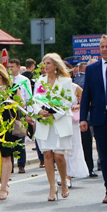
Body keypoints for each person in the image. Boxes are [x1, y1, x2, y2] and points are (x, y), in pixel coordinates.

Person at [79, 35, 107, 203]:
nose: (104, 49)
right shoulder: (92, 69)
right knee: (104, 156)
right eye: (102, 47)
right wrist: (83, 118)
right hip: (100, 117)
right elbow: (86, 96)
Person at [32, 53, 75, 201]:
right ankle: (52, 187)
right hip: (44, 122)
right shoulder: (41, 81)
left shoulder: (65, 81)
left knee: (58, 155)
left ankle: (63, 181)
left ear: (55, 65)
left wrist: (54, 113)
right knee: (48, 154)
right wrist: (39, 111)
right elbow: (35, 99)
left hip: (60, 121)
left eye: (48, 63)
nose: (45, 66)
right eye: (44, 63)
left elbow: (67, 101)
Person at [0, 63, 26, 200]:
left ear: (0, 74)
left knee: (5, 156)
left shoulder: (12, 88)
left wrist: (11, 101)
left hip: (8, 124)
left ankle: (4, 187)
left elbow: (21, 104)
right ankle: (0, 179)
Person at [71, 61, 96, 177]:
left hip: (81, 117)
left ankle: (89, 168)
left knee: (85, 143)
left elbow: (86, 100)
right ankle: (70, 172)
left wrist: (78, 106)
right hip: (69, 120)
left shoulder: (76, 86)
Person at [8, 58, 32, 173]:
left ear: (18, 67)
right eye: (9, 66)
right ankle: (10, 164)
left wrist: (29, 113)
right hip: (9, 111)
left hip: (20, 110)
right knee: (9, 139)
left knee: (20, 136)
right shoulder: (7, 79)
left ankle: (21, 164)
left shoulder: (24, 80)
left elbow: (28, 96)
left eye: (12, 66)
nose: (10, 69)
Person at [65, 79, 90, 187]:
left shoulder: (74, 87)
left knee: (72, 148)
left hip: (73, 122)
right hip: (59, 121)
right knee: (61, 150)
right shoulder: (51, 87)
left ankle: (68, 176)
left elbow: (87, 101)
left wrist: (78, 106)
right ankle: (64, 174)